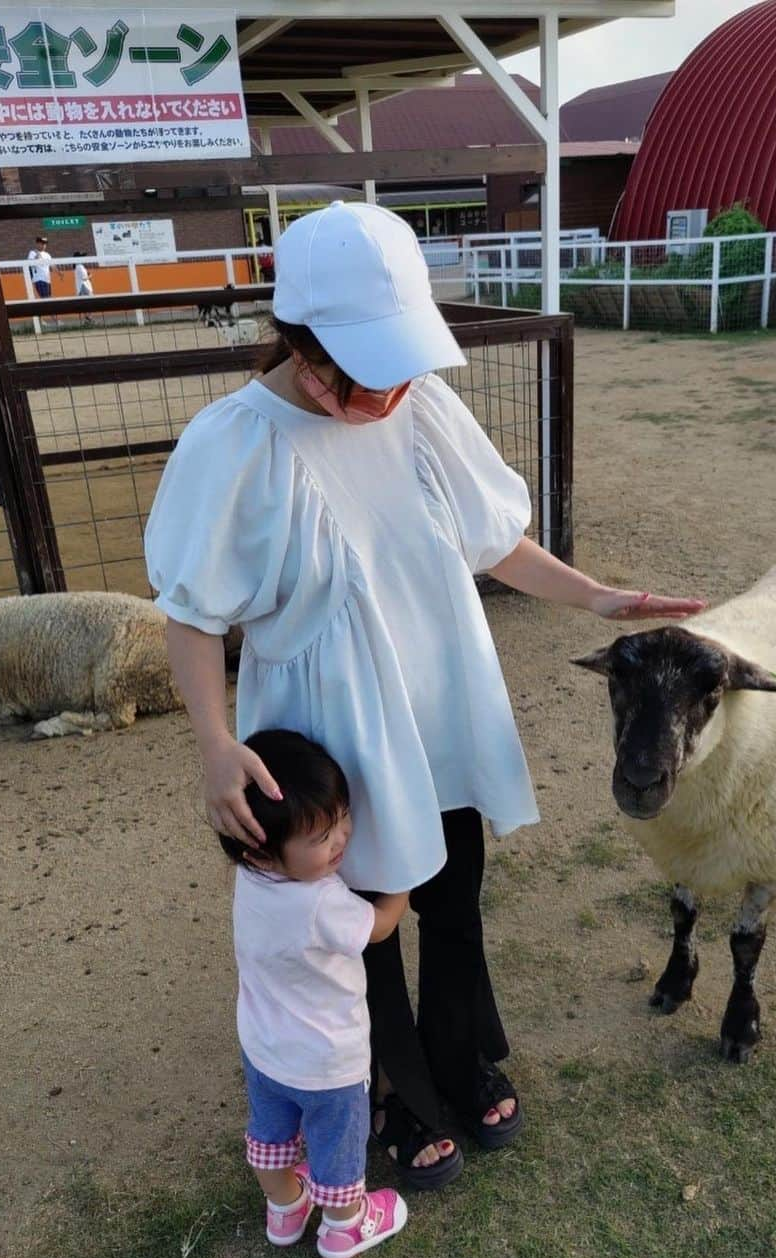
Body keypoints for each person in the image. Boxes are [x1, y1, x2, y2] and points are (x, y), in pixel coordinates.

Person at [144, 200, 705, 1192]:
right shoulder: (235, 444)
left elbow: (493, 540)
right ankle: (390, 1084)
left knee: (450, 888)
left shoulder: (420, 405)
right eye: (367, 368)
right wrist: (214, 742)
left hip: (440, 696)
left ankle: (461, 1050)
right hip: (330, 726)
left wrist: (596, 596)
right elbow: (191, 611)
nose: (393, 387)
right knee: (357, 906)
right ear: (301, 347)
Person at [222, 728, 409, 1258]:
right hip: (330, 1063)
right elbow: (378, 928)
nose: (342, 838)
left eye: (341, 817)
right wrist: (403, 881)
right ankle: (345, 1226)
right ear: (263, 851)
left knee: (271, 1135)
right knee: (336, 1147)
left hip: (264, 1049)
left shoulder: (251, 878)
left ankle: (284, 1210)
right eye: (323, 836)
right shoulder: (322, 902)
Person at [72, 252, 93, 326]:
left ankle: (88, 320)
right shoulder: (79, 266)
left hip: (84, 287)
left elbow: (86, 274)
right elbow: (84, 278)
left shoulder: (80, 266)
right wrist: (90, 276)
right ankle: (88, 319)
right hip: (84, 287)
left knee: (87, 304)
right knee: (89, 304)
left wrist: (88, 274)